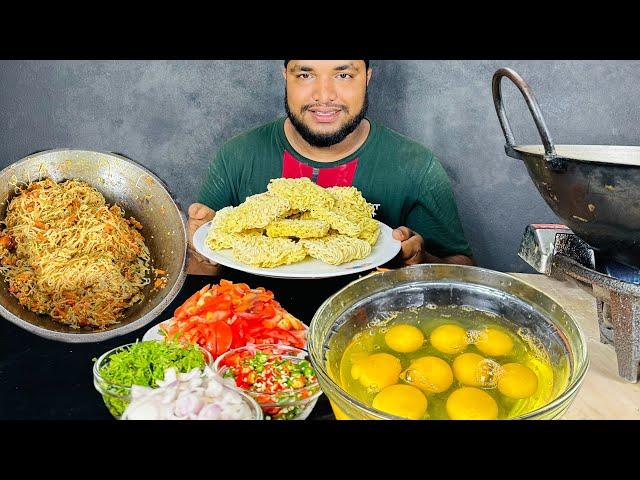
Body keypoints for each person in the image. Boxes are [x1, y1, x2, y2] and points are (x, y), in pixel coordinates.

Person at [188, 60, 474, 275]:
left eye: (343, 75)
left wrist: (419, 259)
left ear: (367, 79)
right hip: (259, 338)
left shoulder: (416, 166)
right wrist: (199, 249)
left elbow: (463, 270)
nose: (324, 95)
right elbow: (204, 277)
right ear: (285, 77)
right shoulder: (237, 155)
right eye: (305, 74)